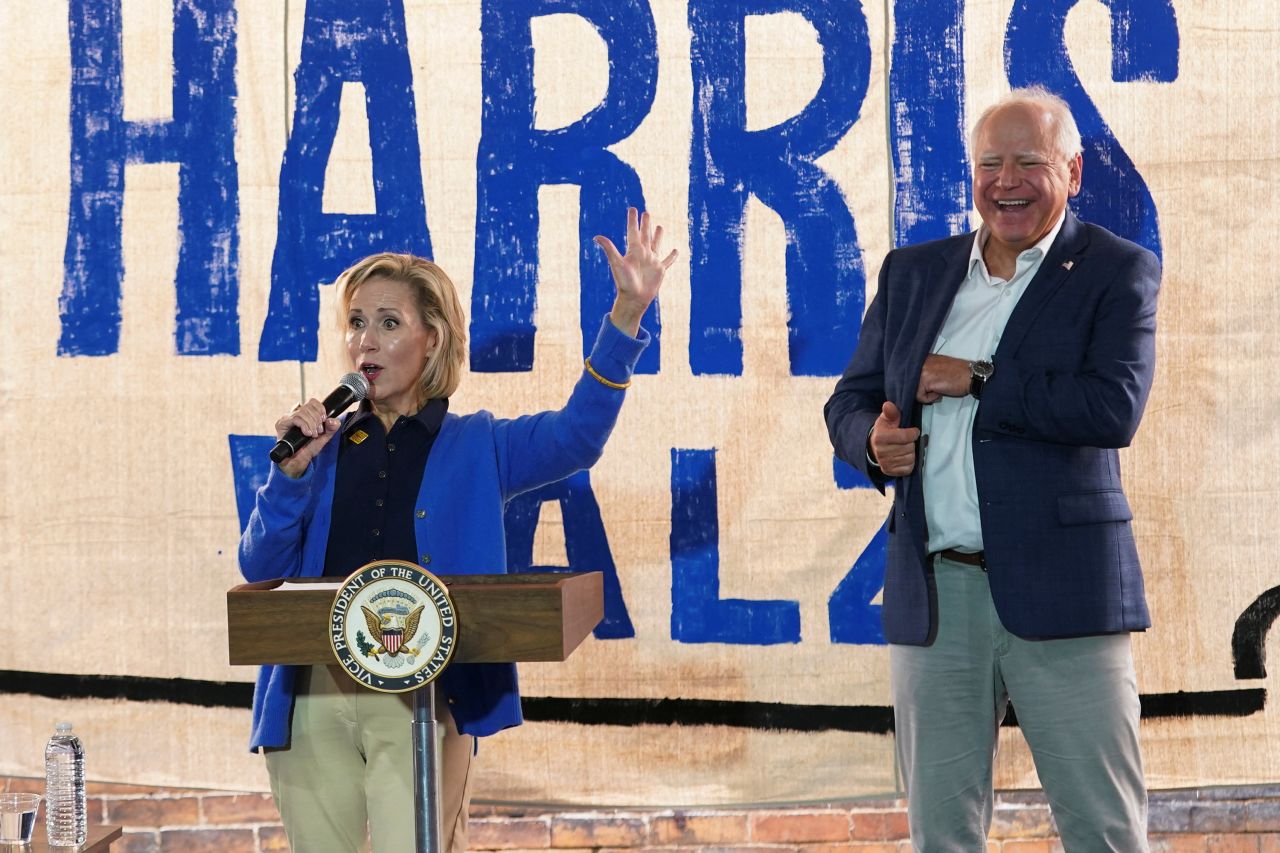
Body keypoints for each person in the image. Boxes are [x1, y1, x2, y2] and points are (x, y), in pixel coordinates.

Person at [239, 207, 677, 853]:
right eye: (357, 322)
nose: (366, 340)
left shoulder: (480, 445)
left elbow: (577, 435)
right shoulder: (320, 449)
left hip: (420, 703)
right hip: (312, 695)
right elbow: (258, 565)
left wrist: (627, 317)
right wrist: (292, 472)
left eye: (389, 323)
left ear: (434, 339)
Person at [824, 87, 1160, 851]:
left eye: (1028, 162)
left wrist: (975, 376)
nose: (1006, 180)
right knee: (941, 836)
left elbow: (1113, 408)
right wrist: (871, 444)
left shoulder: (1116, 270)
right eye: (989, 164)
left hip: (1067, 591)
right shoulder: (913, 273)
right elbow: (850, 399)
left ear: (1072, 173)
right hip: (937, 597)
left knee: (1104, 831)